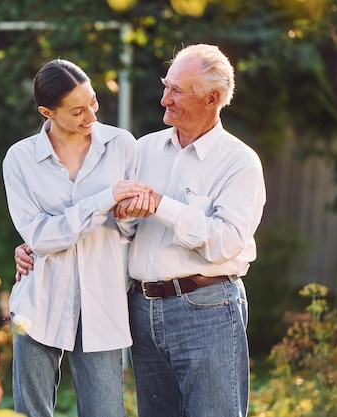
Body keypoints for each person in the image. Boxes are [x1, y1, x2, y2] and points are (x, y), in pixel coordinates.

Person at [14, 44, 266, 417]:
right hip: (142, 309)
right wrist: (33, 245)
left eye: (176, 90)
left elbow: (227, 241)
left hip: (207, 309)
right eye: (166, 86)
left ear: (212, 98)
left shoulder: (239, 162)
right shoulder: (141, 150)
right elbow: (119, 226)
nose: (164, 99)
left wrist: (162, 204)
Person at [2, 58, 152, 417]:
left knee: (106, 412)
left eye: (93, 102)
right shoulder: (20, 159)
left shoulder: (121, 145)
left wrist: (128, 213)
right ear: (46, 112)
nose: (91, 117)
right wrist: (104, 200)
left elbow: (132, 231)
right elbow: (39, 236)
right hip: (40, 301)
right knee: (30, 412)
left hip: (103, 301)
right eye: (77, 111)